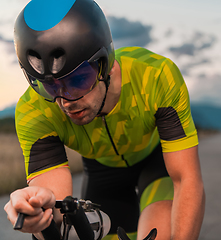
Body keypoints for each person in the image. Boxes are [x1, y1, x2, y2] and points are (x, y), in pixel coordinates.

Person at [3, 0, 205, 239]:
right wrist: (39, 214)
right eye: (47, 85)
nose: (64, 101)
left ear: (105, 63)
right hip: (102, 174)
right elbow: (54, 205)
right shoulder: (33, 110)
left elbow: (186, 180)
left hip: (155, 163)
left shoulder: (156, 76)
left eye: (77, 80)